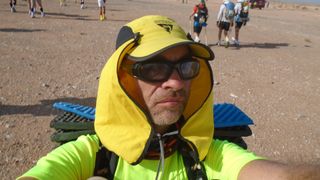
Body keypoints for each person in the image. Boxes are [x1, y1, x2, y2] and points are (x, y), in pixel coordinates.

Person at [18, 15, 320, 180]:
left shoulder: (204, 154)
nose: (176, 82)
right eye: (153, 67)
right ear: (121, 78)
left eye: (186, 67)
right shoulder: (94, 154)